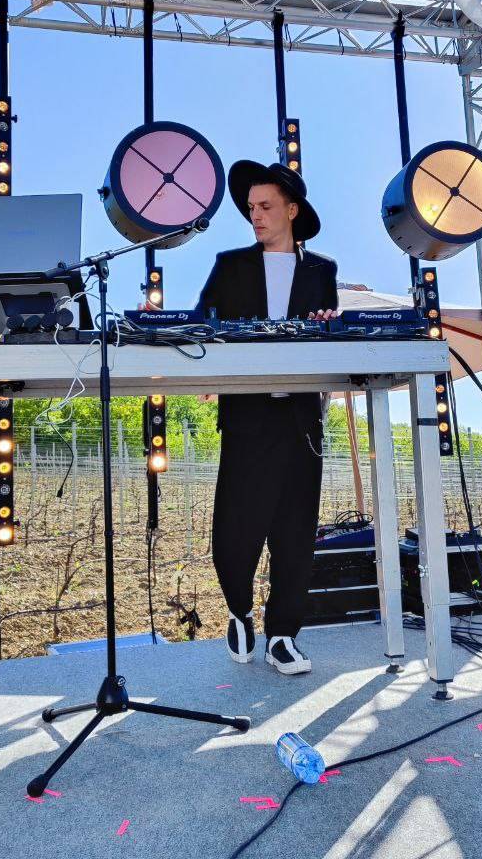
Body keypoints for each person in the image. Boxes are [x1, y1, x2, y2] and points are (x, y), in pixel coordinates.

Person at [196, 160, 338, 675]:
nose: (255, 215)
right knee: (235, 531)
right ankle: (239, 611)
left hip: (301, 421)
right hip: (247, 418)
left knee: (296, 534)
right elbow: (201, 323)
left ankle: (283, 635)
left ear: (292, 210)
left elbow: (330, 337)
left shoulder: (323, 271)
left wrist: (327, 323)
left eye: (265, 206)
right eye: (251, 207)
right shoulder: (230, 264)